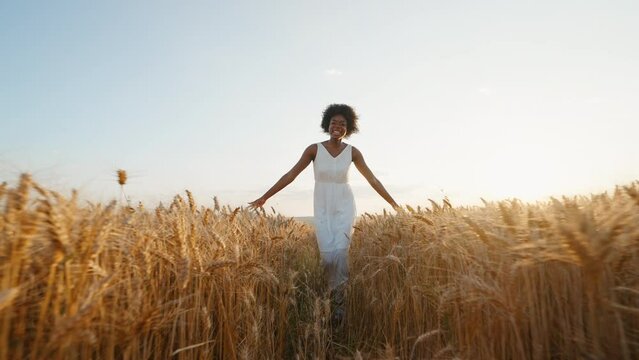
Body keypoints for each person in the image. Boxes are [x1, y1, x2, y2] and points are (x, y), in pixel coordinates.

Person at [248, 104, 399, 325]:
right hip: (322, 207)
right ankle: (331, 296)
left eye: (342, 124)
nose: (337, 127)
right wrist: (265, 197)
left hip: (345, 206)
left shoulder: (353, 152)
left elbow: (373, 180)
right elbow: (291, 174)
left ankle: (339, 308)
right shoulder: (313, 150)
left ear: (349, 128)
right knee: (328, 258)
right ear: (327, 125)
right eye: (334, 123)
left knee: (340, 254)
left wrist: (394, 204)